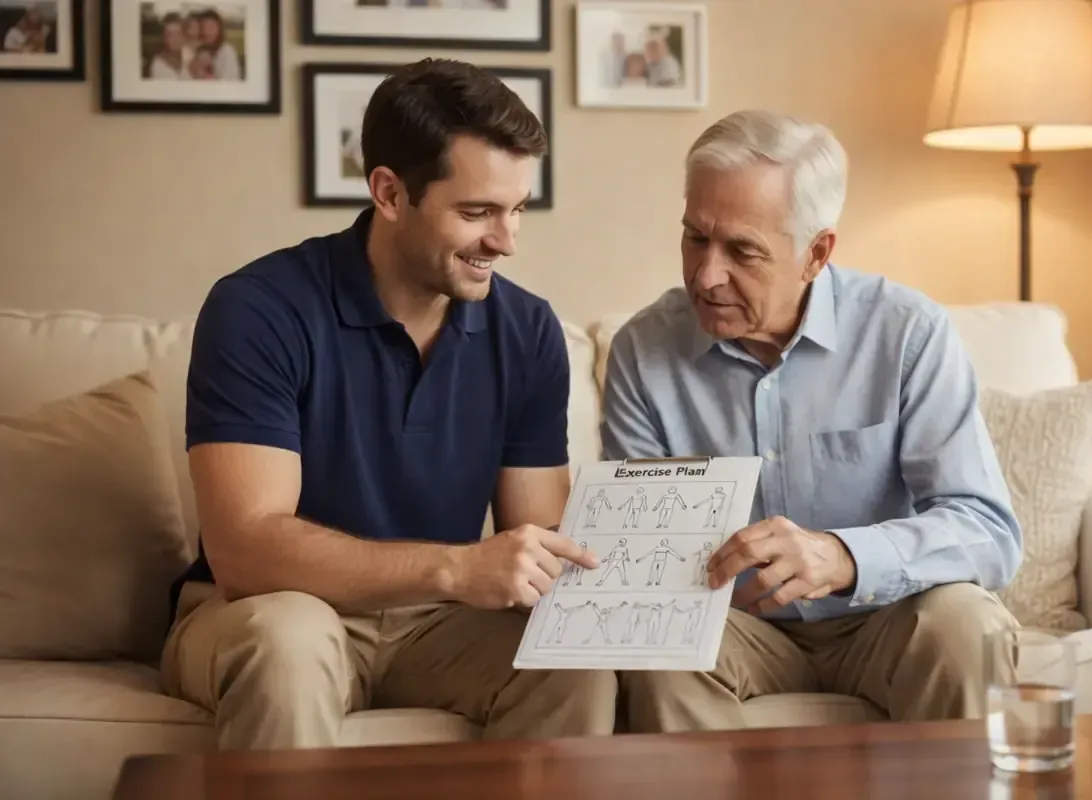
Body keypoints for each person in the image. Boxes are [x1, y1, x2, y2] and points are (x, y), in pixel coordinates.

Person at [160, 58, 617, 751]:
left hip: (437, 623)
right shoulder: (258, 309)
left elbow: (539, 540)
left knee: (573, 663)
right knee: (287, 643)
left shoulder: (527, 332)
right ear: (390, 192)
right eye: (476, 212)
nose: (507, 240)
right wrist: (457, 568)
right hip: (269, 608)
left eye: (516, 209)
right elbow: (246, 551)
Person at [601, 109, 1023, 732]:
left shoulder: (906, 334)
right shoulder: (643, 350)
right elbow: (640, 556)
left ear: (817, 253)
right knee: (657, 648)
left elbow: (988, 531)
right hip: (732, 627)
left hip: (889, 616)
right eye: (695, 237)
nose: (706, 274)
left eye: (742, 250)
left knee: (966, 626)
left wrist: (842, 556)